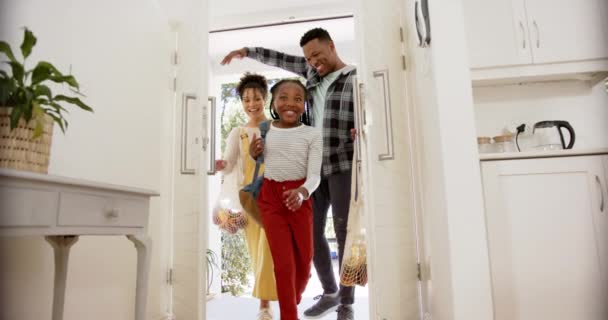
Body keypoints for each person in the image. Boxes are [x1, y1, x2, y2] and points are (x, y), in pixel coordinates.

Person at [221, 28, 357, 320]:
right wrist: (247, 51)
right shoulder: (312, 76)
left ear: (332, 47)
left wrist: (363, 129)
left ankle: (346, 302)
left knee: (343, 231)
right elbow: (280, 59)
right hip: (310, 167)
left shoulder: (354, 79)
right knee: (310, 232)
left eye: (317, 55)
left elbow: (368, 115)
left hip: (342, 163)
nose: (313, 61)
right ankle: (330, 292)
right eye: (309, 58)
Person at [250, 79, 322, 320]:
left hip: (300, 198)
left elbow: (314, 175)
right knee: (283, 265)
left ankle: (293, 296)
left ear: (305, 105)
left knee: (304, 264)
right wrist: (254, 154)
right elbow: (259, 161)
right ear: (273, 102)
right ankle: (289, 314)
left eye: (297, 99)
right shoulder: (265, 129)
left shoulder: (312, 134)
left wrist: (302, 192)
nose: (290, 103)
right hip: (270, 199)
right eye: (283, 97)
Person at [215, 73, 278, 320]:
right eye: (246, 99)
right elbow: (229, 164)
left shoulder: (277, 128)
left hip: (273, 196)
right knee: (256, 252)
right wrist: (219, 164)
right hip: (248, 200)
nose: (251, 104)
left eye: (256, 98)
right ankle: (266, 303)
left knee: (269, 247)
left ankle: (265, 305)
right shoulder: (237, 133)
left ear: (265, 98)